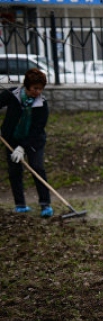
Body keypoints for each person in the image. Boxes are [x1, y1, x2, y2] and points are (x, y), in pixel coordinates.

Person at [1, 68, 53, 217]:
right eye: (35, 88)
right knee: (14, 171)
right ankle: (20, 205)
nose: (38, 92)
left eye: (41, 89)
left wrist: (23, 148)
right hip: (11, 138)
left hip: (34, 141)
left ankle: (45, 204)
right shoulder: (13, 95)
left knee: (37, 168)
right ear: (27, 85)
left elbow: (37, 129)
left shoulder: (41, 104)